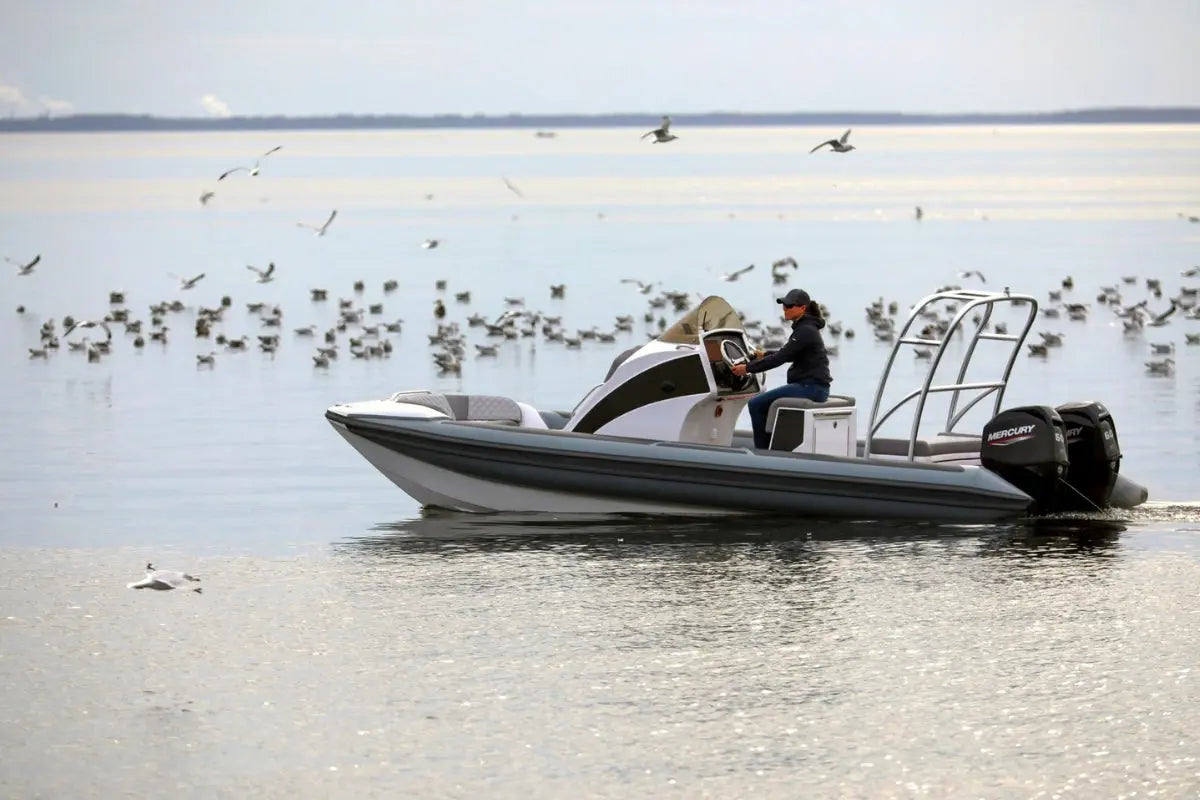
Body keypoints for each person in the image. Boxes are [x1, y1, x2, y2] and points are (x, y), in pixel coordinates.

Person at [731, 288, 833, 449]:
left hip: (811, 387)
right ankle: (772, 447)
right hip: (814, 387)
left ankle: (763, 453)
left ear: (802, 308)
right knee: (764, 403)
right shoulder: (805, 328)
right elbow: (789, 354)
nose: (785, 309)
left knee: (755, 404)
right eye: (784, 306)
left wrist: (747, 368)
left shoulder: (805, 331)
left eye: (789, 306)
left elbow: (781, 358)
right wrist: (763, 355)